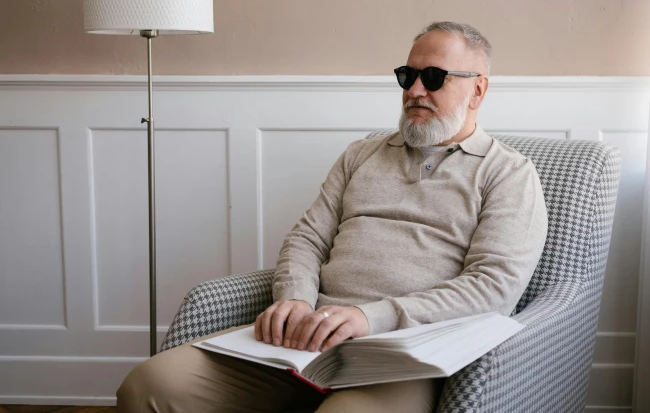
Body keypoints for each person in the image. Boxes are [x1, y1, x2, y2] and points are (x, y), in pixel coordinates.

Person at [117, 21, 548, 413]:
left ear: (478, 90)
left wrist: (369, 318)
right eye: (407, 76)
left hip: (401, 355)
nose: (416, 90)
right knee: (148, 385)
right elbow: (308, 238)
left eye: (434, 77)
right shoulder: (361, 155)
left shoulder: (508, 173)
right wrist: (294, 298)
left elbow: (494, 288)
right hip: (305, 340)